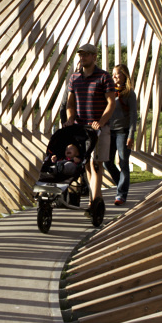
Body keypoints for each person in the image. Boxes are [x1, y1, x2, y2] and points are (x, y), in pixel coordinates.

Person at [64, 43, 117, 217]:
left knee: (96, 165)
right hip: (81, 128)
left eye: (86, 54)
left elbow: (111, 103)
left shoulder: (104, 77)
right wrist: (70, 118)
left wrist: (101, 122)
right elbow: (70, 103)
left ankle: (94, 203)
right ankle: (96, 203)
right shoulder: (74, 78)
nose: (83, 57)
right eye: (81, 55)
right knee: (87, 165)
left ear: (94, 57)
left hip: (99, 129)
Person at [105, 64, 139, 206]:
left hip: (123, 132)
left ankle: (121, 194)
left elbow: (133, 115)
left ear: (124, 75)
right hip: (109, 131)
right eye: (113, 74)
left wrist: (131, 135)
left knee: (123, 162)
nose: (114, 77)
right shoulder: (109, 91)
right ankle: (121, 183)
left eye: (117, 74)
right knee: (107, 162)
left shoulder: (129, 93)